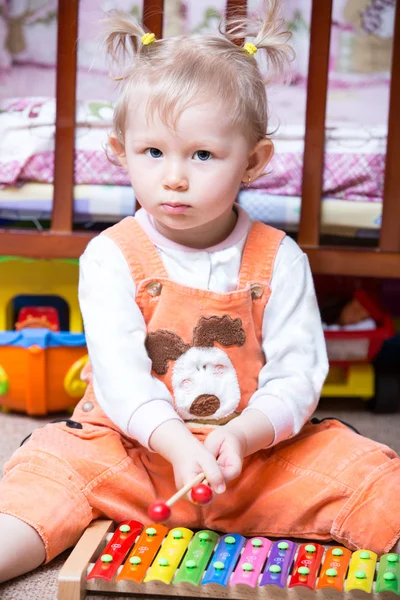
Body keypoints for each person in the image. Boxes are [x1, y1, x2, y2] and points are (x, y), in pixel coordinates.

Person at [1, 0, 399, 585]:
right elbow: (120, 376)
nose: (175, 177)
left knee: (362, 473)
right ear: (120, 153)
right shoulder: (110, 255)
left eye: (204, 155)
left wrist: (241, 434)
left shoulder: (279, 259)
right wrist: (173, 443)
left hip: (252, 459)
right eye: (153, 152)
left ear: (254, 162)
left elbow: (298, 376)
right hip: (131, 451)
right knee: (48, 470)